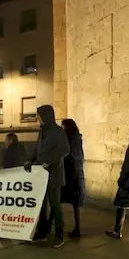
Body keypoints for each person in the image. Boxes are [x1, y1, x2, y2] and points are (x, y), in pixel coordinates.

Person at [25, 105, 70, 248]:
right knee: (41, 206)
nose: (37, 118)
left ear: (46, 116)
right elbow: (37, 148)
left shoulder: (58, 132)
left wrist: (48, 161)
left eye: (39, 116)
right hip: (41, 175)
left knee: (55, 206)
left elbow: (64, 149)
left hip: (54, 176)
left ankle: (59, 235)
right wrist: (30, 160)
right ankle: (42, 232)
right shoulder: (42, 132)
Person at [60, 119, 85, 238]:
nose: (61, 128)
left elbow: (72, 155)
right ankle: (76, 228)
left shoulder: (73, 140)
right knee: (73, 203)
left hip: (71, 175)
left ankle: (76, 229)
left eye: (63, 126)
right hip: (73, 174)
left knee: (62, 200)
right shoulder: (76, 139)